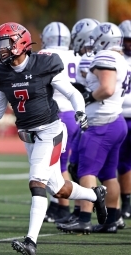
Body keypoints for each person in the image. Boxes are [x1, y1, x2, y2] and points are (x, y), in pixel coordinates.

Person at [0, 22, 107, 255]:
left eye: (5, 44)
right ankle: (94, 194)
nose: (0, 49)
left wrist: (80, 111)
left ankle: (31, 241)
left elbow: (71, 92)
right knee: (57, 188)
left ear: (21, 43)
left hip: (51, 130)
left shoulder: (43, 65)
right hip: (28, 136)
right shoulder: (0, 73)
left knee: (36, 182)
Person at [57, 22, 128, 234]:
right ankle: (112, 220)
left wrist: (89, 95)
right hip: (116, 120)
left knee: (85, 171)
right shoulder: (122, 59)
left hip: (101, 123)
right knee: (108, 175)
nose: (93, 44)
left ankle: (85, 218)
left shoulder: (106, 57)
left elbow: (106, 87)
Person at [55, 18, 101, 225]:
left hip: (93, 118)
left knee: (82, 168)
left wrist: (87, 96)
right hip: (88, 117)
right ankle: (79, 210)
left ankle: (84, 215)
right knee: (76, 166)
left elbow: (87, 91)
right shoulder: (99, 57)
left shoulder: (91, 60)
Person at [39, 21, 81, 222]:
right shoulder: (75, 55)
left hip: (55, 115)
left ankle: (63, 208)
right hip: (73, 113)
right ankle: (57, 206)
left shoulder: (43, 55)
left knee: (56, 166)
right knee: (57, 165)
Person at [117, 20, 131, 219]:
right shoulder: (114, 58)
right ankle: (125, 202)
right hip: (119, 115)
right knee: (123, 163)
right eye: (127, 40)